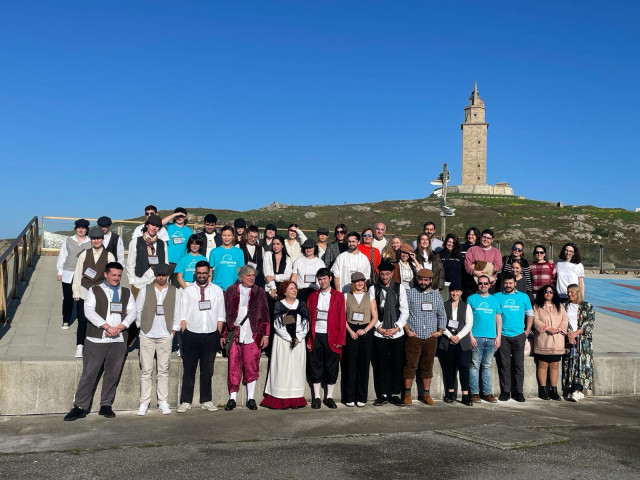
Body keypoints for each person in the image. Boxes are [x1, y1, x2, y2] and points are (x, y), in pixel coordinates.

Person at [63, 262, 136, 421]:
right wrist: (107, 327)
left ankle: (106, 405)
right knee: (89, 373)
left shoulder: (126, 292)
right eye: (113, 275)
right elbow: (88, 311)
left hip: (118, 339)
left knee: (112, 374)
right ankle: (80, 406)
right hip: (97, 339)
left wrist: (121, 327)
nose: (116, 278)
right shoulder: (94, 290)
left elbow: (132, 312)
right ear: (106, 274)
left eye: (118, 276)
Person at [173, 261, 225, 413]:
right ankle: (185, 401)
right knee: (189, 369)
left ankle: (206, 400)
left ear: (209, 273)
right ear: (195, 273)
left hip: (210, 334)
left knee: (208, 370)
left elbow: (221, 315)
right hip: (191, 334)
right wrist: (185, 332)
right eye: (199, 272)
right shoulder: (188, 291)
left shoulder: (216, 291)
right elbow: (182, 314)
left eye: (204, 272)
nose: (202, 275)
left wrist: (217, 333)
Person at [222, 265, 270, 411]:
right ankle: (232, 399)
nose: (251, 278)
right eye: (248, 275)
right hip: (235, 333)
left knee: (251, 365)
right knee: (234, 366)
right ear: (241, 277)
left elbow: (265, 313)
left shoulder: (259, 291)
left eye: (253, 275)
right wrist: (224, 333)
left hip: (253, 333)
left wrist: (266, 334)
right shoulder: (231, 290)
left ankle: (251, 398)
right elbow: (224, 313)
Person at [135, 263, 180, 415]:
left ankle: (163, 401)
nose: (161, 277)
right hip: (147, 334)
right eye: (158, 275)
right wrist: (141, 327)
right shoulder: (145, 289)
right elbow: (138, 309)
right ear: (155, 275)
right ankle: (144, 402)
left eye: (164, 275)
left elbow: (178, 312)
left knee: (163, 370)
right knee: (146, 370)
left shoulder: (175, 291)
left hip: (165, 334)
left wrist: (172, 332)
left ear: (168, 275)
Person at [261, 281, 310, 409]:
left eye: (295, 288)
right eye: (291, 289)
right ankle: (280, 397)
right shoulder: (279, 305)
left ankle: (295, 397)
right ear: (284, 292)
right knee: (282, 369)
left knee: (296, 370)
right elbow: (277, 325)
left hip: (298, 342)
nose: (294, 290)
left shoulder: (301, 305)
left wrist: (298, 337)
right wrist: (289, 338)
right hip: (283, 342)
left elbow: (306, 324)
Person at [402, 269, 446, 406]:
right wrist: (408, 331)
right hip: (414, 335)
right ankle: (407, 394)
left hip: (431, 336)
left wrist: (439, 332)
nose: (423, 282)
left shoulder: (436, 296)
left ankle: (426, 394)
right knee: (410, 365)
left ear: (431, 280)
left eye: (426, 280)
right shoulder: (410, 294)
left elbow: (442, 315)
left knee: (428, 366)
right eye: (421, 279)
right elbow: (403, 313)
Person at [72, 226, 115, 358]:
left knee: (99, 319)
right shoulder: (84, 254)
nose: (96, 241)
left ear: (102, 239)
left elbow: (113, 276)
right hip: (85, 291)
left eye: (99, 238)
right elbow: (78, 273)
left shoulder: (109, 255)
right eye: (94, 238)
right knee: (83, 320)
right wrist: (76, 292)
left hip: (101, 293)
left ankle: (97, 345)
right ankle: (80, 345)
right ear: (90, 240)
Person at [306, 267, 346, 409]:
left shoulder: (339, 296)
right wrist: (309, 339)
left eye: (324, 278)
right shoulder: (313, 296)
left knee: (331, 366)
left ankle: (329, 397)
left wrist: (341, 340)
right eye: (320, 279)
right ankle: (316, 397)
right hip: (316, 334)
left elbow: (342, 319)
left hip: (332, 336)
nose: (322, 281)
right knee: (315, 365)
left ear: (330, 278)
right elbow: (309, 318)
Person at [371, 261, 408, 406]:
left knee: (397, 363)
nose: (385, 277)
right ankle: (383, 394)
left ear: (392, 274)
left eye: (387, 274)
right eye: (382, 274)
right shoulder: (374, 289)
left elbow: (404, 311)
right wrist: (379, 327)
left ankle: (395, 393)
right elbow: (372, 311)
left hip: (396, 333)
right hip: (379, 333)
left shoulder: (400, 288)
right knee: (381, 364)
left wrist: (397, 327)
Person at [494, 273, 533, 402]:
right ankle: (506, 392)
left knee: (518, 365)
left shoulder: (523, 297)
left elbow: (530, 315)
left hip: (519, 336)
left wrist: (526, 331)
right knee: (504, 366)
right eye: (506, 283)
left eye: (510, 283)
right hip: (503, 336)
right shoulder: (497, 297)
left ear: (515, 283)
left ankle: (519, 392)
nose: (508, 285)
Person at [343, 272, 378, 407]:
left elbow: (375, 317)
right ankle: (349, 396)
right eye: (357, 281)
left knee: (363, 365)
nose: (360, 284)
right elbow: (343, 317)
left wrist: (365, 330)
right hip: (351, 330)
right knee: (350, 364)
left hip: (365, 330)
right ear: (353, 283)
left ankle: (361, 397)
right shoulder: (346, 296)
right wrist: (350, 331)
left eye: (362, 281)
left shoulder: (370, 296)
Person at [467, 274, 502, 403]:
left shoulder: (494, 300)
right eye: (480, 283)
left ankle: (487, 393)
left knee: (487, 366)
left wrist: (498, 336)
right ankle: (474, 393)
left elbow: (498, 318)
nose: (483, 285)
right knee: (474, 365)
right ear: (478, 285)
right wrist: (470, 336)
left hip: (491, 338)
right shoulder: (471, 299)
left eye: (485, 283)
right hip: (476, 338)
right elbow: (468, 320)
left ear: (489, 284)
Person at [438, 281, 474, 406]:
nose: (455, 293)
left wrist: (457, 336)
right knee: (449, 367)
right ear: (449, 291)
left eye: (458, 291)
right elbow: (441, 322)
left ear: (461, 292)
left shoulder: (466, 306)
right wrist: (450, 336)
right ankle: (450, 393)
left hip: (462, 341)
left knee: (464, 367)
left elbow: (469, 324)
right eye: (453, 291)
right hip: (447, 341)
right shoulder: (444, 305)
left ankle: (465, 394)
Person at [532, 284, 568, 401]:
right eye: (546, 291)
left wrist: (559, 329)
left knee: (555, 365)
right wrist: (547, 328)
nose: (549, 294)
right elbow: (535, 320)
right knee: (543, 364)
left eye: (551, 292)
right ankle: (542, 389)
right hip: (544, 340)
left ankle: (553, 389)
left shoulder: (559, 306)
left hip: (557, 340)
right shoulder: (537, 306)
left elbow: (564, 319)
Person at [562, 284, 595, 402]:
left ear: (577, 293)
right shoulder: (564, 306)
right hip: (569, 339)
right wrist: (569, 334)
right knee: (570, 363)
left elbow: (589, 323)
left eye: (572, 292)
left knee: (582, 364)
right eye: (568, 292)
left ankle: (578, 390)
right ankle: (570, 389)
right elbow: (562, 321)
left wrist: (576, 333)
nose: (570, 294)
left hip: (582, 340)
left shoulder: (587, 306)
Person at [56, 219, 90, 330]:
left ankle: (83, 321)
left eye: (83, 228)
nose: (81, 230)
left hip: (84, 275)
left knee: (83, 298)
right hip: (68, 273)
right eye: (79, 228)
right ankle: (66, 319)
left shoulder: (90, 242)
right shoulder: (69, 240)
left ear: (86, 229)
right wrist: (60, 271)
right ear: (75, 229)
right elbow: (62, 256)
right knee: (67, 298)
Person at [127, 214, 169, 298]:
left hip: (156, 282)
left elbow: (165, 262)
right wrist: (132, 281)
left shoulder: (162, 243)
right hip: (139, 282)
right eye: (152, 225)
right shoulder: (135, 241)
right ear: (147, 225)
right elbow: (130, 263)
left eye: (157, 226)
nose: (154, 228)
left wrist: (165, 280)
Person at [209, 225, 245, 291]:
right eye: (224, 235)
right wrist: (209, 287)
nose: (227, 238)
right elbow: (210, 271)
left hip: (234, 287)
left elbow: (240, 270)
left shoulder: (239, 252)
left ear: (233, 236)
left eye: (229, 235)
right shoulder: (214, 251)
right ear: (221, 236)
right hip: (217, 288)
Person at [164, 207, 194, 284]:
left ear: (186, 217)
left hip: (180, 262)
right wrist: (175, 214)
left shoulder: (189, 231)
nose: (179, 218)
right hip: (168, 261)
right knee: (164, 284)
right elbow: (161, 223)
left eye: (182, 216)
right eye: (178, 216)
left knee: (176, 287)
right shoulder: (169, 226)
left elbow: (190, 248)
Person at [263, 235, 293, 300]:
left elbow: (287, 276)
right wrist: (273, 288)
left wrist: (274, 277)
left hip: (283, 290)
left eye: (278, 244)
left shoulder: (287, 259)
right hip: (269, 288)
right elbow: (267, 274)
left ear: (282, 245)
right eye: (274, 244)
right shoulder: (268, 255)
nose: (275, 246)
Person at [439, 233, 464, 300]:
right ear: (445, 242)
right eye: (449, 242)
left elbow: (462, 271)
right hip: (444, 286)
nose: (450, 244)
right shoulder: (439, 255)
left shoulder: (459, 256)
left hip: (456, 287)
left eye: (453, 242)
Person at [460, 227, 480, 300]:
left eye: (473, 234)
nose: (470, 236)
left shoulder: (480, 248)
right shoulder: (462, 247)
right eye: (469, 234)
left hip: (474, 280)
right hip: (463, 279)